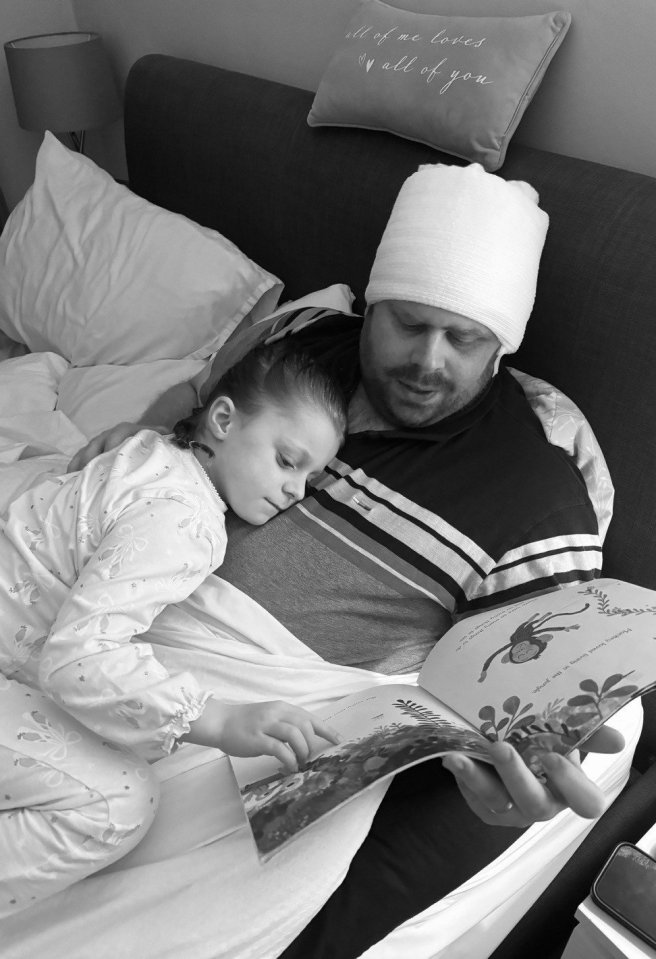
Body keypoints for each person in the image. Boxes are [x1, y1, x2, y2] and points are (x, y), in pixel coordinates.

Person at [68, 163, 624, 957]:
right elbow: (192, 431)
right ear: (369, 301)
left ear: (502, 345)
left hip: (239, 712)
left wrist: (525, 765)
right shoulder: (298, 347)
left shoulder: (534, 494)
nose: (429, 361)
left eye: (465, 338)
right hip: (112, 603)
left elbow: (531, 692)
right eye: (406, 322)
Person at [0, 340, 348, 917]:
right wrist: (217, 718)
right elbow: (78, 659)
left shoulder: (145, 450)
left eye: (311, 476)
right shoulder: (186, 516)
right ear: (224, 420)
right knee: (117, 803)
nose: (296, 490)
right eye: (288, 460)